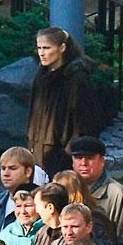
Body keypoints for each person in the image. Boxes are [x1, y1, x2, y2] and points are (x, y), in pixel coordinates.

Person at [26, 28, 102, 177]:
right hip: (38, 145)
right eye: (39, 48)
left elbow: (84, 120)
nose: (42, 53)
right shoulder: (41, 74)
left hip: (62, 151)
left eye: (47, 48)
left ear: (62, 48)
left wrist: (71, 151)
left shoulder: (76, 78)